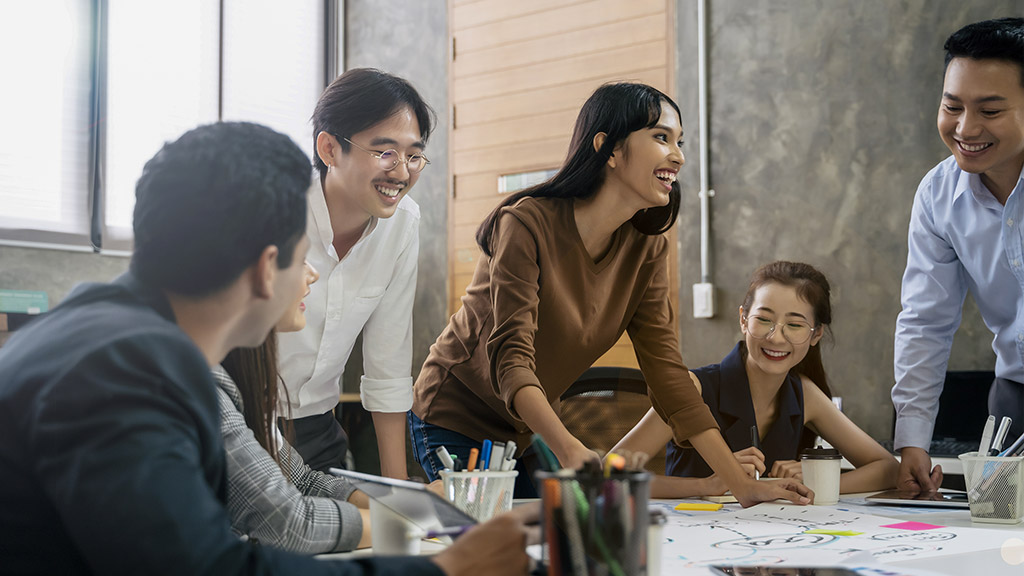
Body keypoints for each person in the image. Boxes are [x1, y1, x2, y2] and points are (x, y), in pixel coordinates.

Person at [0, 121, 530, 575]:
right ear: (263, 268)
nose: (314, 272)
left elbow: (280, 483)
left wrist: (413, 516)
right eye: (302, 256)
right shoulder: (128, 372)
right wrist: (444, 568)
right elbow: (211, 567)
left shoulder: (100, 331)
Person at [410, 82, 812, 507]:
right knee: (498, 543)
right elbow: (511, 360)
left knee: (550, 540)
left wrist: (739, 483)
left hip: (523, 431)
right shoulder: (525, 224)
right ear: (609, 150)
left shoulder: (648, 247)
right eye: (661, 137)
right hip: (455, 415)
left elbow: (668, 375)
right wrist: (568, 449)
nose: (678, 155)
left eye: (680, 141)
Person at [613, 262, 899, 498]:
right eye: (764, 319)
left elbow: (887, 468)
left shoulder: (804, 394)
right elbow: (608, 474)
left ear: (816, 335)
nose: (775, 337)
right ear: (743, 319)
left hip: (769, 548)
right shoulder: (692, 388)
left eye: (795, 325)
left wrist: (810, 484)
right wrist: (707, 485)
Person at [277, 68, 434, 478]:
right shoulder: (277, 212)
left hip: (316, 429)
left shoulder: (403, 225)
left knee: (371, 531)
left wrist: (400, 497)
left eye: (413, 155)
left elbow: (389, 366)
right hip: (236, 421)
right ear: (329, 149)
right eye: (384, 152)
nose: (400, 172)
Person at [892, 17, 1024, 493]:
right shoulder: (937, 194)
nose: (966, 128)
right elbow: (926, 321)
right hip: (1015, 394)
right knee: (1000, 528)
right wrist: (911, 438)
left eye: (990, 111)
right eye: (952, 106)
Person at [218, 259, 377, 553]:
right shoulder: (204, 387)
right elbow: (288, 525)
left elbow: (301, 481)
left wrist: (409, 505)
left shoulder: (237, 369)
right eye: (299, 258)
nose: (313, 274)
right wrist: (416, 522)